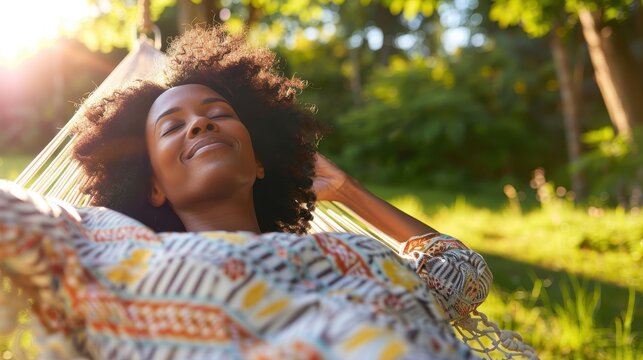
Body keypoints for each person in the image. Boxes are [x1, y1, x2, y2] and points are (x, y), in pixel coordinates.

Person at [0, 26, 492, 359]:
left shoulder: (347, 251)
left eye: (217, 112)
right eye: (172, 127)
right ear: (151, 185)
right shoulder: (117, 249)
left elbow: (462, 275)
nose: (199, 124)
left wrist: (350, 192)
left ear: (258, 161)